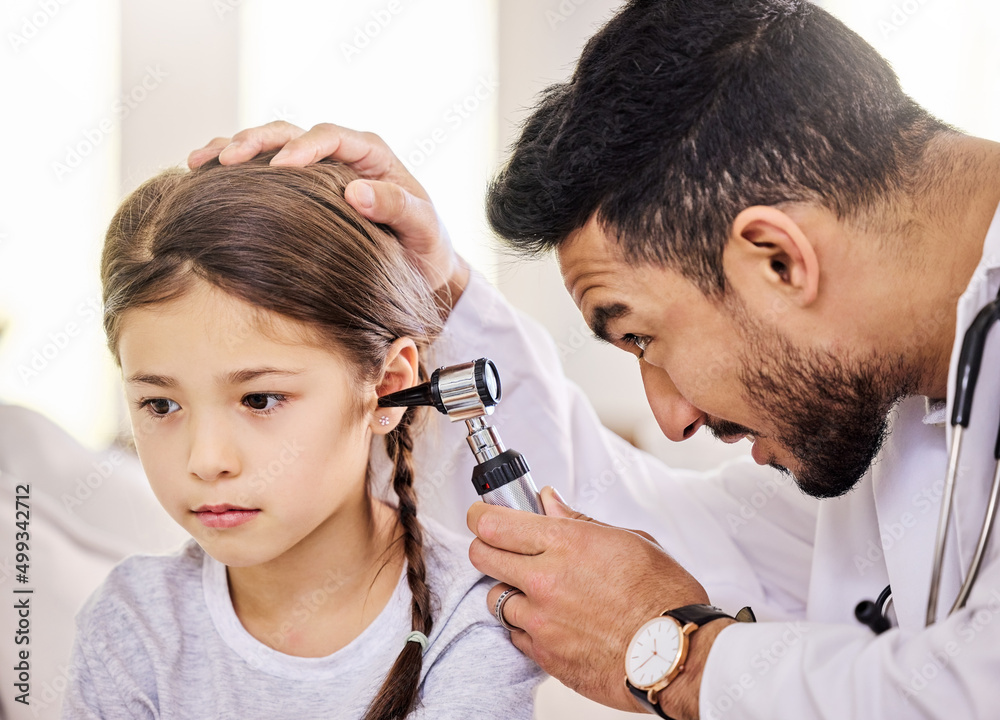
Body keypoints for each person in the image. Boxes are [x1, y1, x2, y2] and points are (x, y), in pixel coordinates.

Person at [188, 3, 1000, 719]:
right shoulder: (887, 396)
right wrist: (434, 288)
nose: (673, 420)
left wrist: (679, 658)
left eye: (642, 336)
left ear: (777, 261)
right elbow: (656, 544)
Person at [63, 155, 542, 719]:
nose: (206, 460)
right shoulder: (132, 624)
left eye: (260, 400)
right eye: (161, 404)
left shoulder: (472, 619)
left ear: (387, 387)